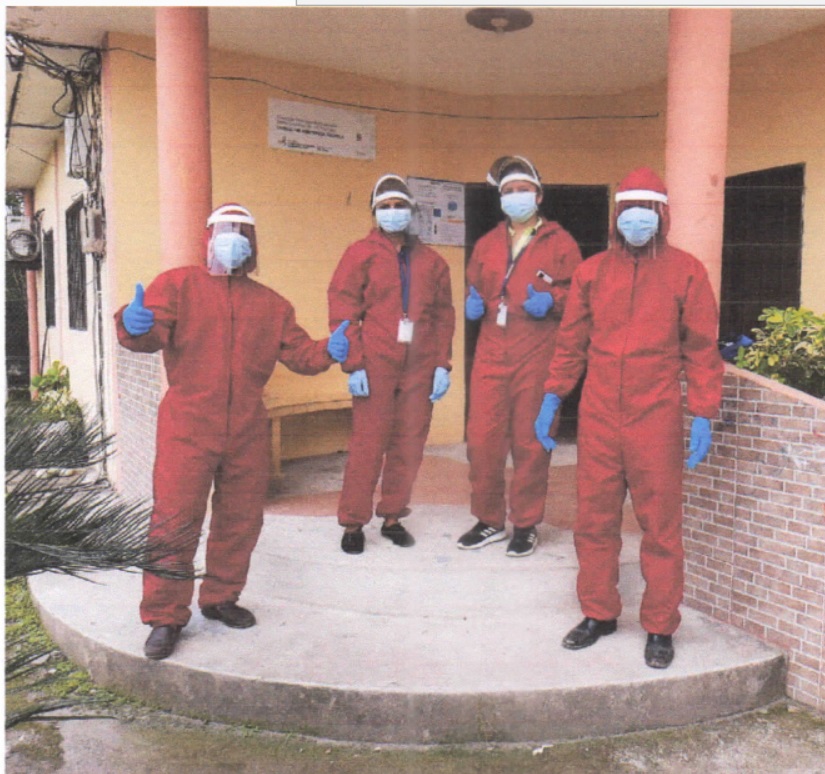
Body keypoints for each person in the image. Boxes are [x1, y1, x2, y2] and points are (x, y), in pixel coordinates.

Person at [116, 203, 350, 661]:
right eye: (225, 230)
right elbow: (148, 334)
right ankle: (165, 615)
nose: (233, 239)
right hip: (187, 424)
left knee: (240, 518)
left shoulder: (271, 305)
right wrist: (131, 323)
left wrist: (329, 349)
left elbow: (300, 355)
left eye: (242, 232)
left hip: (246, 426)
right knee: (174, 520)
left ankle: (221, 597)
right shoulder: (178, 285)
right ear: (208, 238)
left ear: (253, 244)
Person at [534, 168, 725, 669]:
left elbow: (701, 349)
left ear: (662, 214)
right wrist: (553, 397)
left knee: (661, 525)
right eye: (628, 211)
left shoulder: (686, 272)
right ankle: (598, 613)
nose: (636, 220)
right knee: (594, 519)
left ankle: (660, 625)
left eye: (646, 210)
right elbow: (571, 342)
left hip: (655, 413)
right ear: (616, 216)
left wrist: (703, 412)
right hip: (599, 413)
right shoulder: (593, 272)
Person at [457, 155, 583, 557]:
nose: (516, 197)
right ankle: (489, 519)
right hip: (491, 351)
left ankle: (526, 524)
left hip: (537, 351)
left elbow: (582, 298)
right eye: (508, 191)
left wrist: (554, 300)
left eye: (523, 190)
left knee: (531, 442)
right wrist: (473, 303)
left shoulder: (561, 243)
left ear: (539, 195)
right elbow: (475, 286)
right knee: (482, 441)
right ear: (500, 198)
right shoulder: (487, 244)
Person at [328, 174, 455, 554]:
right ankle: (353, 522)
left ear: (412, 211)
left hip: (420, 365)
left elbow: (443, 316)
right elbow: (343, 310)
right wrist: (354, 364)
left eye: (400, 206)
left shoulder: (433, 262)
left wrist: (442, 364)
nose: (393, 212)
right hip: (376, 362)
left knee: (409, 444)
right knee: (368, 445)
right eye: (386, 206)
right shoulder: (359, 254)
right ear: (375, 212)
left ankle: (393, 516)